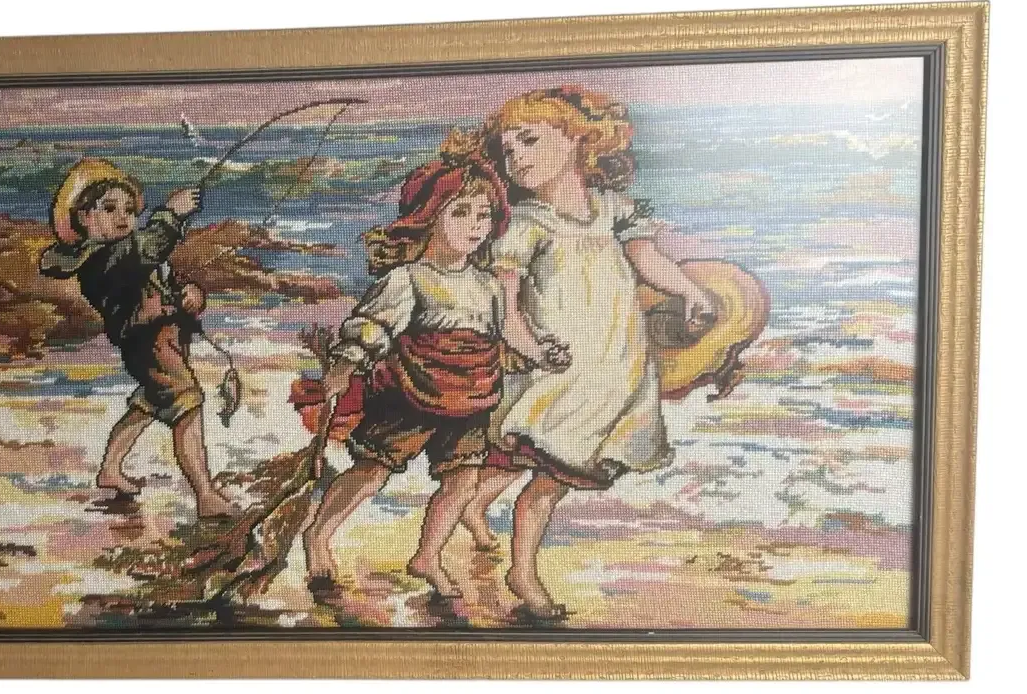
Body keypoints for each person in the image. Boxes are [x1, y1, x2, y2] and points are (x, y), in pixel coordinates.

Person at [465, 87, 715, 619]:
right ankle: (522, 572)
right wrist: (531, 347)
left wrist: (690, 291)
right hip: (557, 373)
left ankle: (472, 511)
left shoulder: (614, 210)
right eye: (508, 150)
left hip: (614, 370)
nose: (517, 158)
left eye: (529, 141)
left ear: (580, 140)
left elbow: (650, 263)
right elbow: (507, 306)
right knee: (548, 474)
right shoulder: (526, 224)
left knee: (541, 467)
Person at [301, 153, 569, 598]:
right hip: (411, 392)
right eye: (460, 213)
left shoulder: (488, 283)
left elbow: (506, 332)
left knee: (463, 478)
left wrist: (541, 352)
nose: (475, 225)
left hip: (472, 396)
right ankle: (318, 536)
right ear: (427, 216)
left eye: (484, 215)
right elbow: (372, 328)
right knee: (372, 470)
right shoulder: (408, 278)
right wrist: (342, 371)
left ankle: (427, 556)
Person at [39, 157, 236, 518]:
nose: (123, 217)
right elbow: (146, 250)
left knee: (150, 401)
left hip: (161, 338)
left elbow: (160, 277)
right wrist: (170, 215)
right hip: (147, 343)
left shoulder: (124, 252)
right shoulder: (103, 257)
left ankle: (110, 468)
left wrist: (190, 294)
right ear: (82, 217)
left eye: (130, 210)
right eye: (109, 208)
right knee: (188, 405)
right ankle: (206, 496)